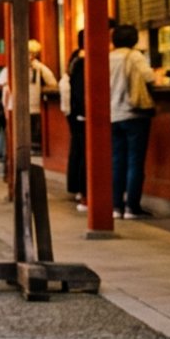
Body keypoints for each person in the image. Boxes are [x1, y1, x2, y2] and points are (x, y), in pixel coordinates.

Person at [108, 24, 159, 220]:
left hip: (113, 114)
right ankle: (132, 206)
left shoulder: (107, 57)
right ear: (134, 39)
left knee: (117, 161)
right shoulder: (134, 56)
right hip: (134, 113)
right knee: (135, 161)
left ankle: (115, 206)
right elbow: (149, 77)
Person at [12, 40, 58, 156]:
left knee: (34, 130)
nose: (30, 56)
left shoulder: (39, 68)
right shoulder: (21, 66)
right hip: (24, 105)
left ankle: (33, 149)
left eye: (33, 53)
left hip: (34, 105)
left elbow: (52, 82)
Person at [67, 30, 89, 210]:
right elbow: (81, 94)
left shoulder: (75, 61)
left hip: (76, 113)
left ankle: (81, 191)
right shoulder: (82, 63)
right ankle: (85, 193)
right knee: (85, 153)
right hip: (83, 115)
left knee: (80, 151)